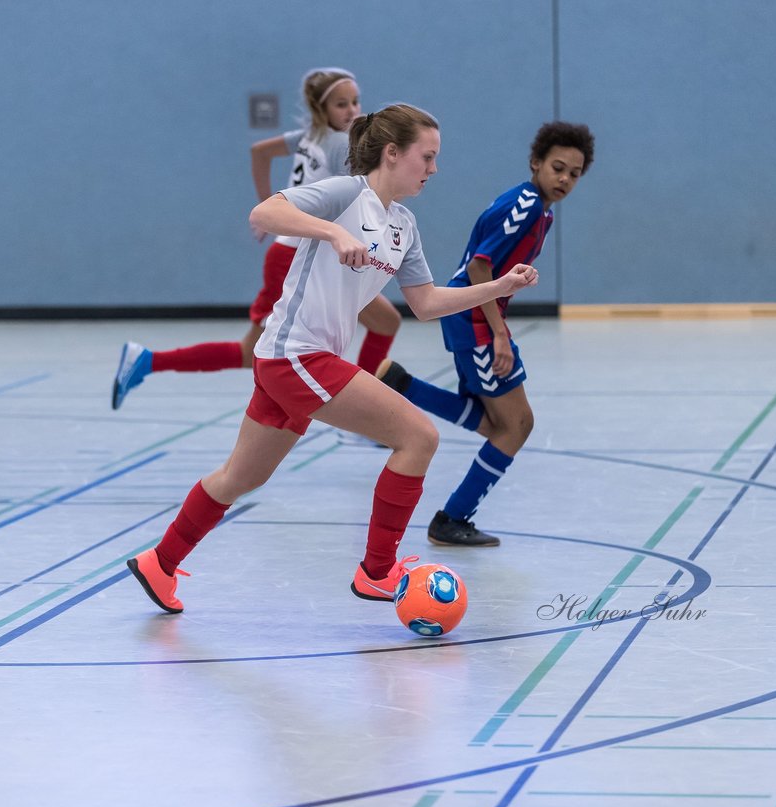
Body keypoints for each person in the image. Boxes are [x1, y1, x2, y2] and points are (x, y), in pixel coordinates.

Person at [125, 104, 541, 613]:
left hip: (292, 360)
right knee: (419, 437)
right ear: (392, 154)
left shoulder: (404, 225)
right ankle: (378, 572)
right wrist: (332, 231)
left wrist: (502, 285)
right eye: (426, 157)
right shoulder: (348, 194)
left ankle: (159, 563)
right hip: (295, 354)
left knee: (241, 477)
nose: (434, 170)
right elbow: (263, 213)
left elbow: (426, 303)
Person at [111, 68, 401, 409]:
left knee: (380, 323)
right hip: (298, 258)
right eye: (341, 104)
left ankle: (146, 361)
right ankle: (363, 410)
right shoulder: (339, 145)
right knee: (380, 323)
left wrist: (270, 206)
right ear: (321, 110)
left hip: (297, 253)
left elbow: (259, 151)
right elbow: (357, 201)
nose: (352, 110)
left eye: (355, 101)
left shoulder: (309, 136)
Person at [376, 121, 595, 547]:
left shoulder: (538, 207)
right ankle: (452, 517)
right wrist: (498, 333)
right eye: (558, 167)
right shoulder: (527, 206)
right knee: (516, 425)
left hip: (471, 315)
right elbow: (480, 266)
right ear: (536, 163)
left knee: (500, 424)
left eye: (575, 172)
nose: (566, 178)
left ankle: (401, 385)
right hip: (475, 318)